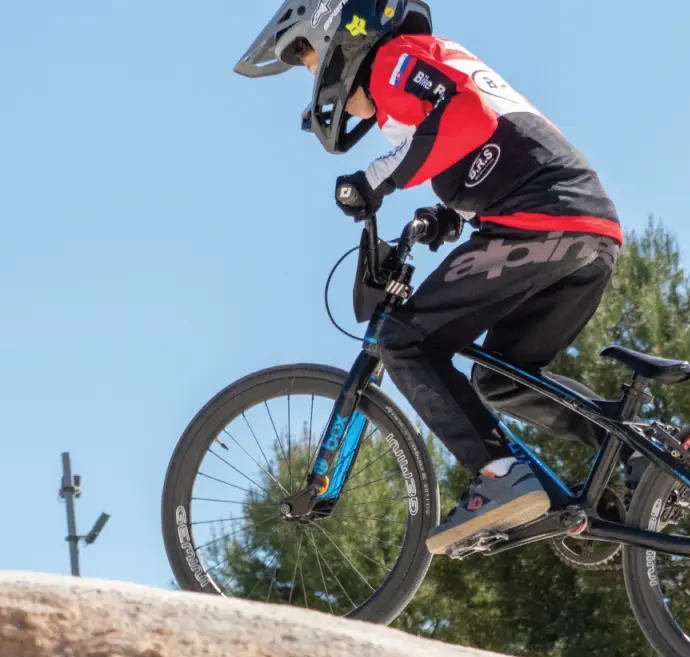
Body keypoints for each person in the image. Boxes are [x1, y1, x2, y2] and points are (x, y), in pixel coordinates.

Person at [235, 1, 622, 554]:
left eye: (305, 58)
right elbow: (488, 146)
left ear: (336, 38)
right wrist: (445, 215)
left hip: (544, 223)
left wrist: (375, 179)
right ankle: (634, 454)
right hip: (586, 227)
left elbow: (466, 119)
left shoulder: (393, 60)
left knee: (403, 340)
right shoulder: (425, 71)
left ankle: (499, 476)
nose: (311, 77)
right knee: (503, 379)